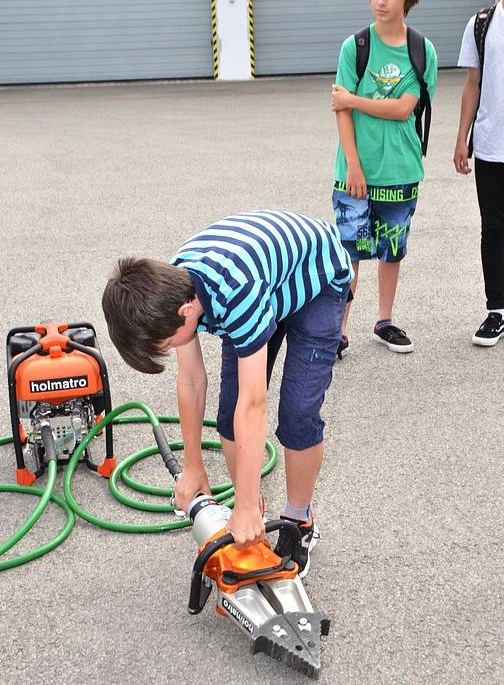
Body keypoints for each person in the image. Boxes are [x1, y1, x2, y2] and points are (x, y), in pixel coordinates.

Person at [102, 210, 352, 576]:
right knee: (228, 416)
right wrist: (192, 466)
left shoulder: (235, 295)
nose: (172, 349)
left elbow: (253, 404)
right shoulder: (171, 290)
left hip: (317, 280)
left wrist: (246, 504)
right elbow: (191, 380)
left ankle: (299, 520)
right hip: (264, 277)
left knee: (298, 415)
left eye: (169, 343)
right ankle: (253, 514)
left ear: (187, 313)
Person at [331, 0, 437, 354]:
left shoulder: (421, 50)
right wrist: (353, 165)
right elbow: (340, 110)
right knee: (349, 253)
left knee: (392, 249)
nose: (380, 1)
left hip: (401, 169)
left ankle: (385, 320)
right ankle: (338, 330)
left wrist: (355, 98)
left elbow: (404, 108)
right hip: (354, 172)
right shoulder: (354, 46)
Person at [453, 0, 504, 347]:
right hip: (490, 145)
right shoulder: (482, 23)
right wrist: (461, 138)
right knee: (494, 229)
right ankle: (497, 310)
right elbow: (473, 82)